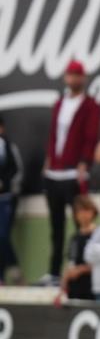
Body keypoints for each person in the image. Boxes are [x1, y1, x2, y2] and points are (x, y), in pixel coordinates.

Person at [40, 59, 100, 286]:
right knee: (56, 226)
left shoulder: (91, 106)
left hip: (74, 173)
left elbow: (91, 136)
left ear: (83, 78)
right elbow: (54, 136)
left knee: (82, 224)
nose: (73, 79)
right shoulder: (59, 103)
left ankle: (82, 269)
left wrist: (84, 163)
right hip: (54, 173)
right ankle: (54, 272)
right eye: (70, 74)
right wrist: (48, 161)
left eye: (77, 75)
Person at [56, 194, 99, 304]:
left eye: (86, 210)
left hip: (93, 290)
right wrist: (62, 287)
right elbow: (70, 262)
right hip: (74, 291)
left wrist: (81, 269)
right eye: (79, 211)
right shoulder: (74, 238)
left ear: (93, 211)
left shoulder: (99, 234)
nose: (83, 215)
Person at [0, 115, 23, 284]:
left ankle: (15, 271)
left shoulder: (9, 148)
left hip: (6, 199)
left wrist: (4, 184)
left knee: (2, 235)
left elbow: (18, 172)